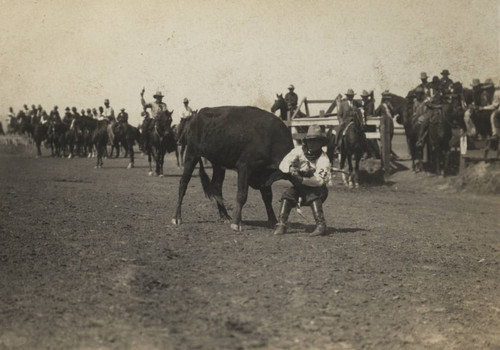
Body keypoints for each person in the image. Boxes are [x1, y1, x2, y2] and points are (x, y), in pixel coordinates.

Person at [274, 125, 331, 236]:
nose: (312, 144)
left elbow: (319, 181)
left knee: (312, 196)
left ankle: (321, 225)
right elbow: (283, 163)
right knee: (288, 194)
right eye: (310, 141)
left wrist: (301, 179)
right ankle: (281, 224)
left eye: (315, 141)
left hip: (318, 190)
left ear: (321, 143)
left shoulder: (324, 159)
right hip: (300, 186)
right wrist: (290, 168)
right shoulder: (299, 151)